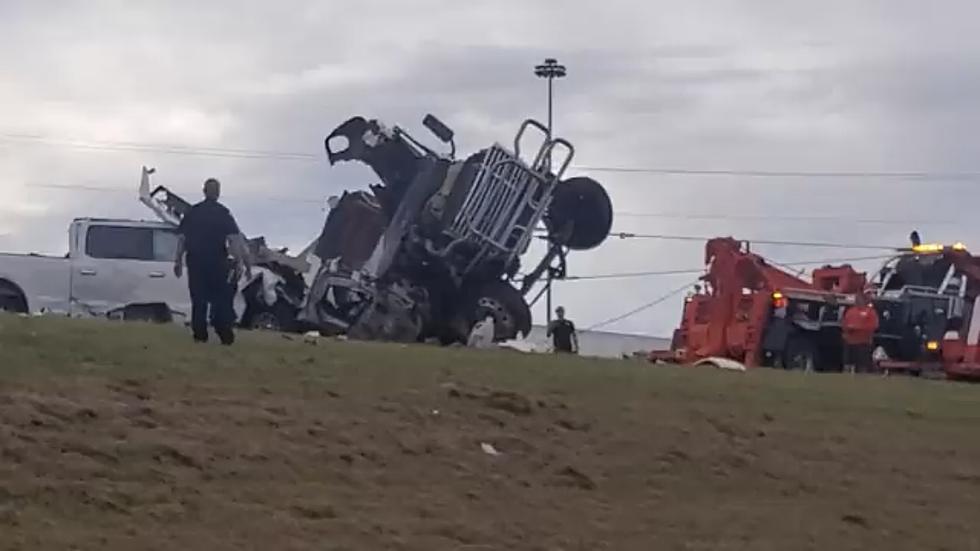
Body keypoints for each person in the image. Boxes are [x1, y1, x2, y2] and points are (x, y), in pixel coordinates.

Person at [173, 178, 251, 345]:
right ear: (218, 193)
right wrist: (239, 262)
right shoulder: (223, 213)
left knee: (198, 299)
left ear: (204, 191)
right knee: (220, 299)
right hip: (217, 262)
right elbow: (234, 240)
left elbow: (182, 239)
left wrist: (178, 261)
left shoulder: (193, 212)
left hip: (195, 261)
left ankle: (200, 336)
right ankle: (224, 332)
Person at [842, 293, 879, 373]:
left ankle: (862, 380)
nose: (857, 301)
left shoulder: (870, 312)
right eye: (856, 299)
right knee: (848, 363)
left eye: (859, 299)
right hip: (850, 342)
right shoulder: (850, 311)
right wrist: (847, 330)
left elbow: (874, 326)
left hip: (864, 342)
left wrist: (858, 328)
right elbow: (844, 323)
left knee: (862, 364)